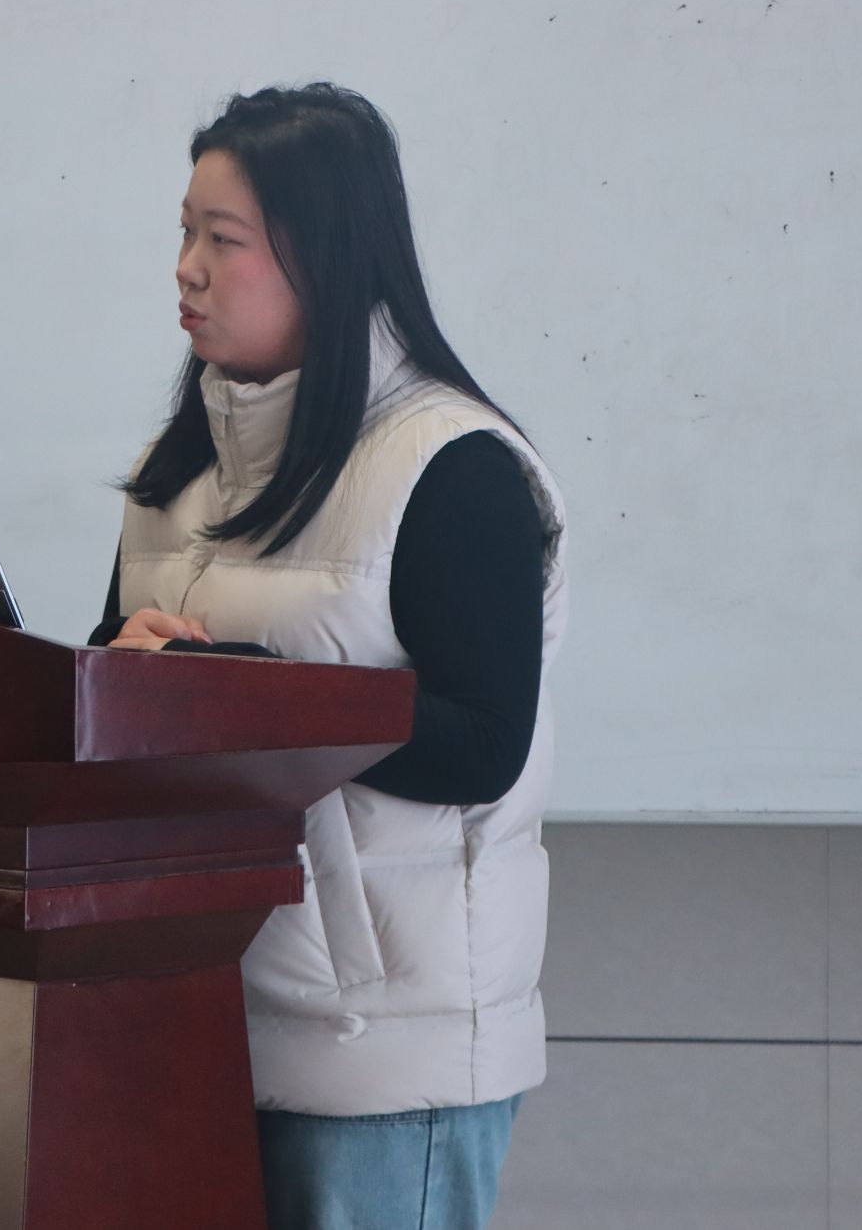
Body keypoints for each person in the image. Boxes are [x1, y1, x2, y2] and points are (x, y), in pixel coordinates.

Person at [87, 83, 570, 1230]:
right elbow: (125, 685)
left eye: (222, 240)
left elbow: (480, 746)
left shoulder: (452, 467)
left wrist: (244, 697)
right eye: (184, 233)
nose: (185, 271)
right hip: (195, 1008)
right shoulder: (178, 466)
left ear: (324, 257)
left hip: (381, 1055)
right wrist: (120, 666)